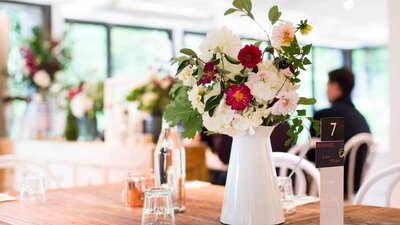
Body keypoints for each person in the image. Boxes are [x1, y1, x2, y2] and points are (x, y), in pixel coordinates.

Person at [311, 67, 370, 197]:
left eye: (328, 85)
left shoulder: (326, 115)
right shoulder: (360, 118)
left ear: (335, 86)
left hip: (333, 184)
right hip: (354, 183)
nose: (326, 90)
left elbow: (314, 156)